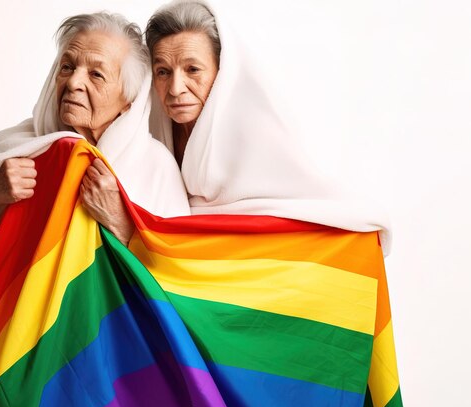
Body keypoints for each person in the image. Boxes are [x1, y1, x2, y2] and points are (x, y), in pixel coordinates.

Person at [0, 12, 190, 332]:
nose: (74, 82)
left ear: (128, 99)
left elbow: (179, 275)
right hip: (25, 332)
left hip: (114, 338)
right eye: (68, 66)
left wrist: (122, 223)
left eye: (96, 74)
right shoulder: (26, 147)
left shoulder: (154, 164)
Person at [144, 0, 392, 253]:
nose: (175, 89)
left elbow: (308, 205)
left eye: (193, 69)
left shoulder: (260, 134)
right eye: (163, 72)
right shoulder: (149, 135)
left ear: (222, 72)